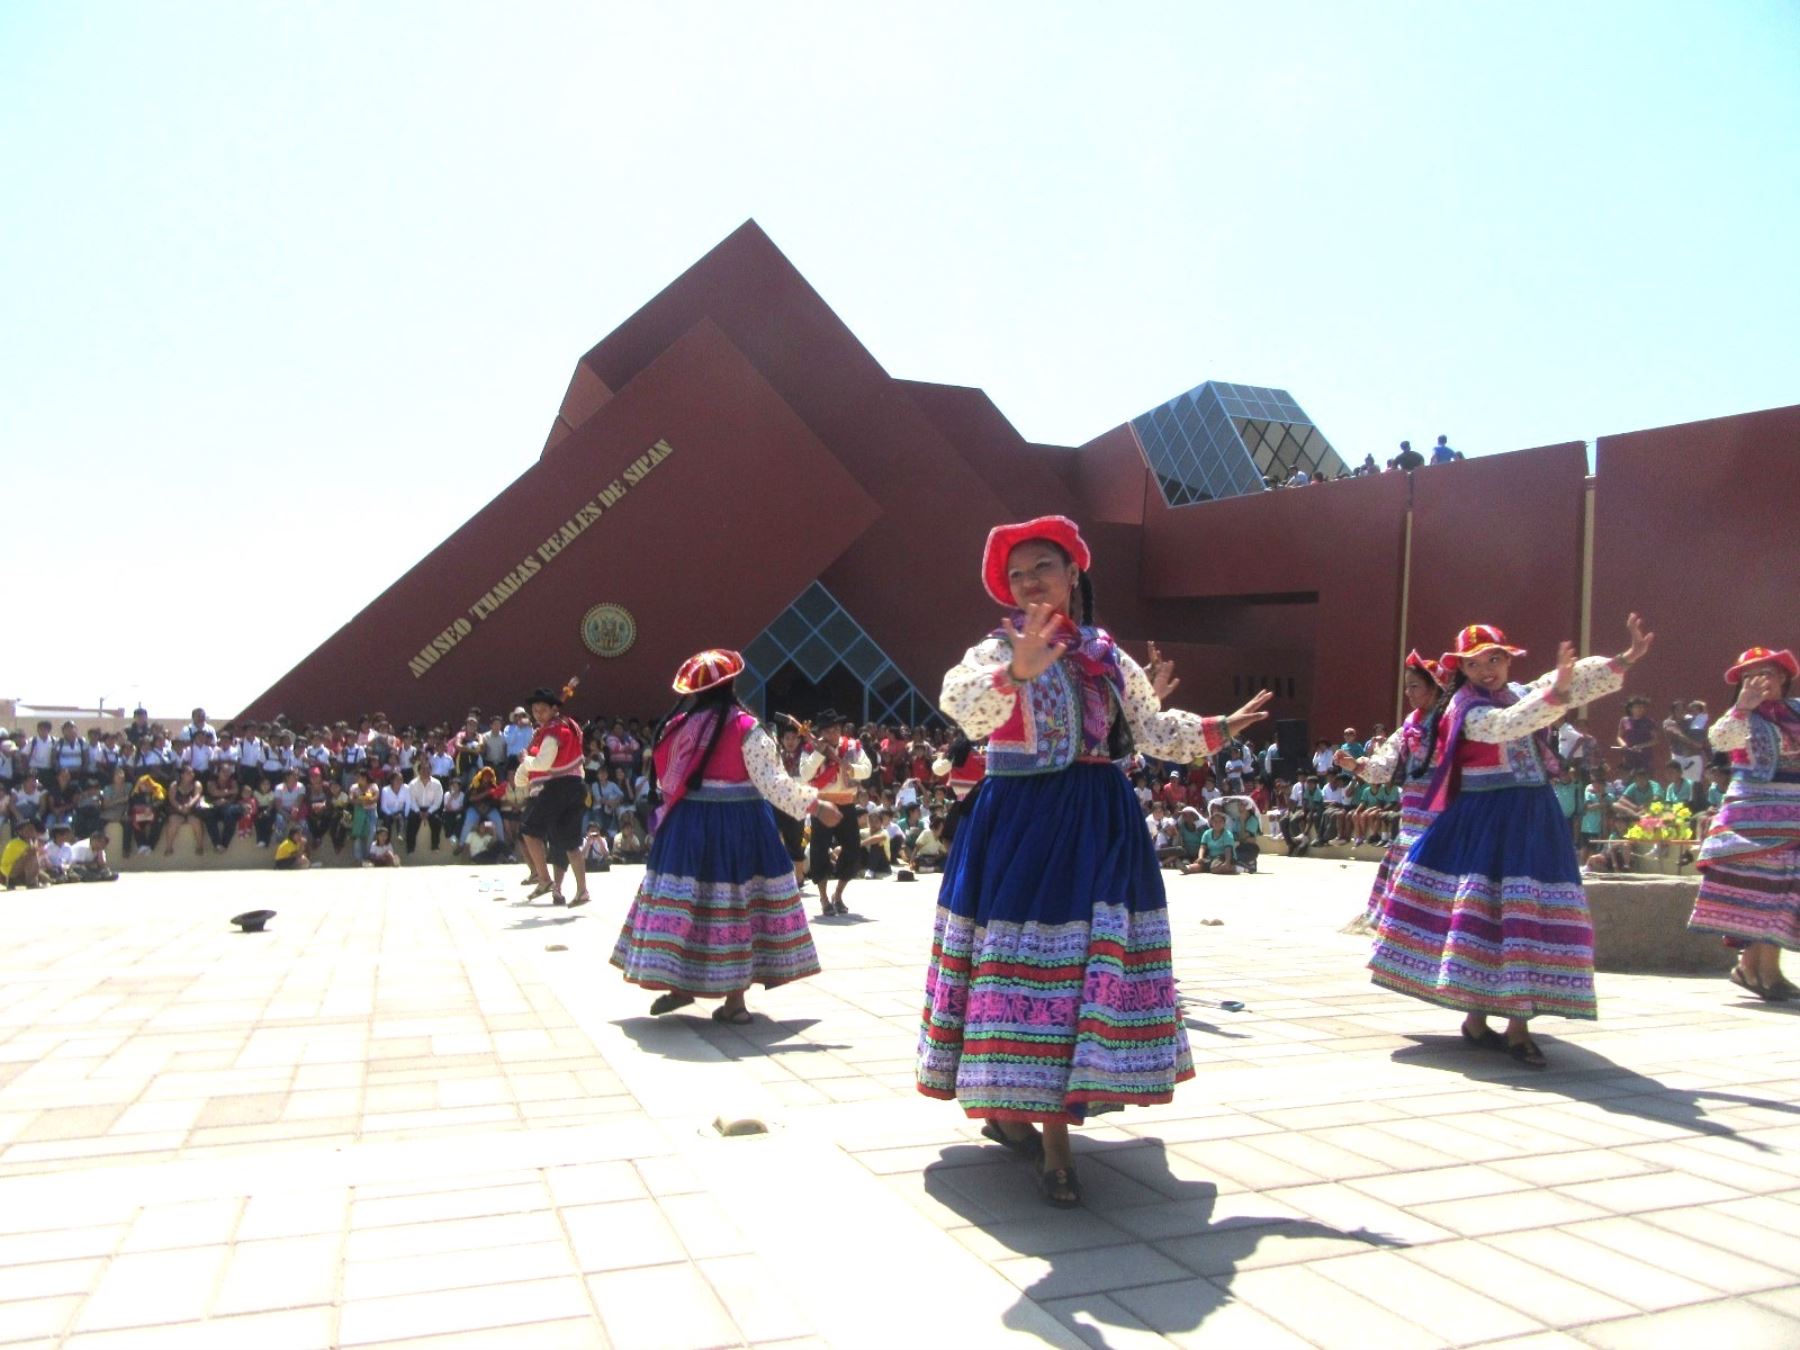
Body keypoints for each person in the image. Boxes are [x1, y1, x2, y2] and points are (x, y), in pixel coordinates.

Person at [918, 515, 1272, 1208]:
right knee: (1021, 965)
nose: (1029, 583)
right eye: (1017, 575)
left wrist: (1221, 727)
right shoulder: (992, 649)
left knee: (1080, 967)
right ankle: (1035, 1125)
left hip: (1097, 823)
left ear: (1074, 572)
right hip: (1020, 823)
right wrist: (1015, 672)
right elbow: (962, 708)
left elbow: (1153, 730)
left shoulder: (1109, 656)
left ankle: (1045, 1124)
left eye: (1042, 568)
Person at [1372, 616, 1653, 1068]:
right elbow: (1509, 724)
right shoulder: (1466, 709)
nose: (1489, 670)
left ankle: (1519, 1026)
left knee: (1526, 915)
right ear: (1462, 668)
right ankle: (1478, 1017)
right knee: (1485, 915)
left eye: (1496, 659)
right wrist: (1556, 692)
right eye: (1477, 662)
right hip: (1486, 819)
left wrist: (1622, 659)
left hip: (1534, 817)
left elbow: (1571, 681)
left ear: (1508, 660)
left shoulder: (1517, 691)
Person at [611, 649, 835, 1023]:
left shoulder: (677, 726)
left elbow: (666, 779)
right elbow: (773, 783)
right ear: (732, 684)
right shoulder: (748, 729)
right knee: (736, 907)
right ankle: (735, 1002)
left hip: (685, 825)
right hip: (739, 826)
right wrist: (817, 805)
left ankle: (680, 985)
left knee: (691, 904)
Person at [1689, 647, 1800, 1001]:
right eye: (1749, 675)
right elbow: (1719, 740)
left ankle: (1755, 969)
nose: (1760, 680)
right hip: (1752, 819)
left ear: (1783, 676)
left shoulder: (1797, 712)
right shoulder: (1739, 718)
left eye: (1766, 672)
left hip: (1794, 814)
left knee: (1787, 890)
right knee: (1762, 891)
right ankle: (1761, 972)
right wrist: (1743, 707)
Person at [1342, 653, 1448, 927]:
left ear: (1434, 687)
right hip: (1414, 809)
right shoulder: (1410, 725)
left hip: (1445, 808)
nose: (1408, 693)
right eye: (1407, 686)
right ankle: (1400, 921)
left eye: (1415, 686)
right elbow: (1385, 764)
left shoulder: (1452, 721)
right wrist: (1357, 765)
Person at [513, 687, 591, 906]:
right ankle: (582, 891)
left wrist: (526, 761)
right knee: (570, 843)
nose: (538, 714)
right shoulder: (571, 726)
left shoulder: (552, 731)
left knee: (529, 831)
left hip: (559, 787)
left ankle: (544, 879)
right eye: (535, 711)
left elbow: (542, 764)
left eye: (542, 710)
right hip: (577, 786)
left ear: (553, 709)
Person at [797, 709, 872, 918]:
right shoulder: (811, 748)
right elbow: (804, 776)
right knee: (819, 851)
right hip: (822, 806)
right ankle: (823, 898)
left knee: (853, 850)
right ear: (821, 733)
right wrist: (819, 754)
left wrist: (852, 769)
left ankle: (838, 894)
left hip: (847, 804)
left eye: (836, 729)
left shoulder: (853, 747)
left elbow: (868, 768)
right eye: (829, 731)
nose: (834, 734)